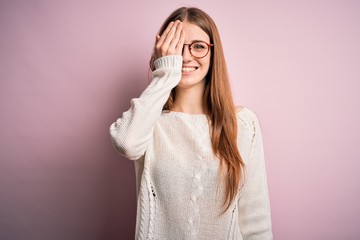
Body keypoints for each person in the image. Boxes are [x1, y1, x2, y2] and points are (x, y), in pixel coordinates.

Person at [110, 7, 273, 240]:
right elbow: (126, 143)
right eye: (177, 46)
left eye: (198, 46)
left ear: (213, 53)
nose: (186, 57)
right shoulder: (149, 121)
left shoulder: (244, 124)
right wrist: (166, 72)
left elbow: (256, 220)